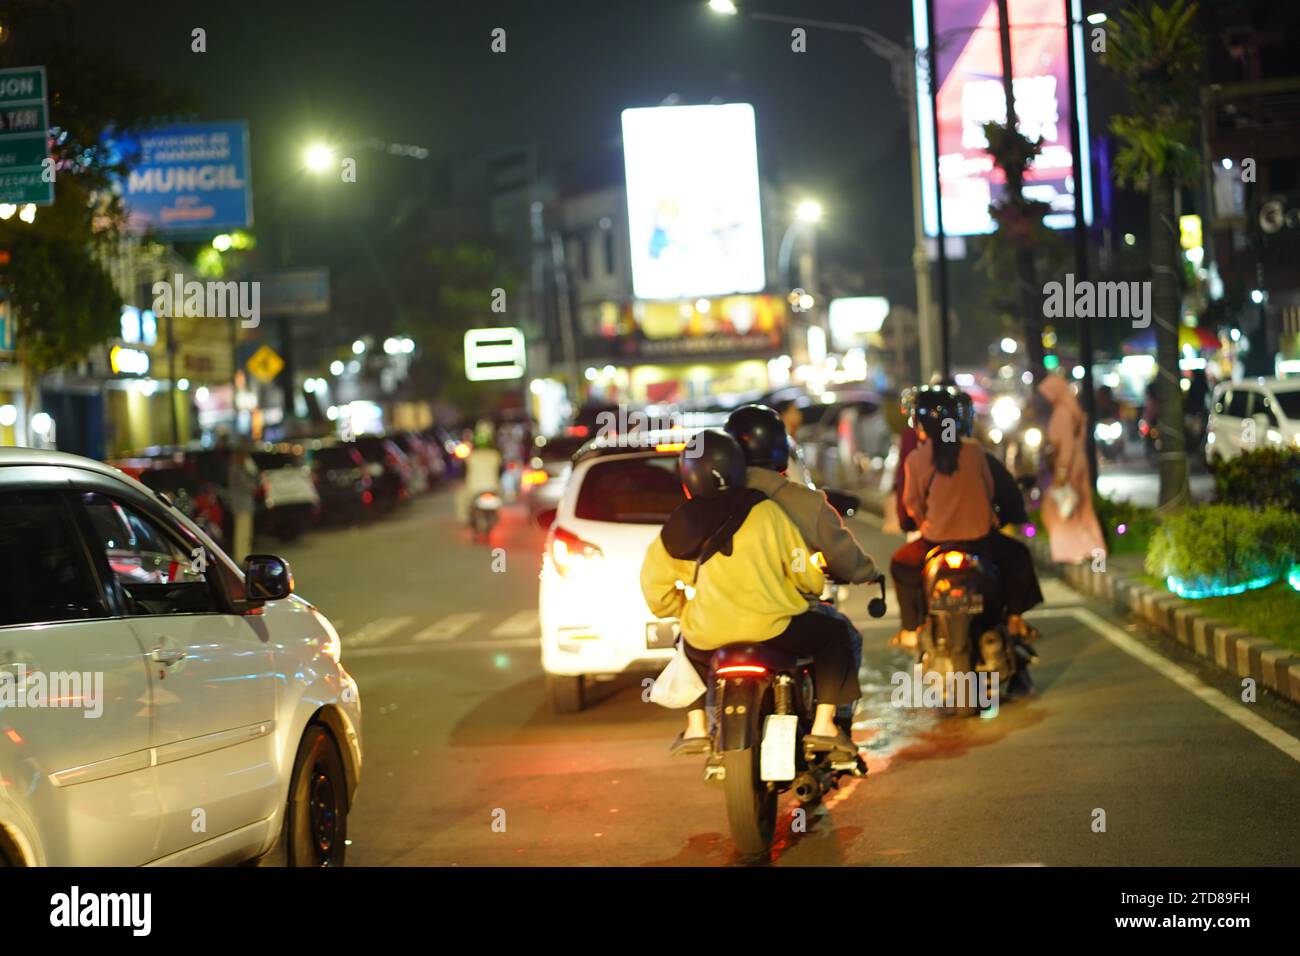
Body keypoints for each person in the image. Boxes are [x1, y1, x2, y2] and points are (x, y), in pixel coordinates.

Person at [641, 429, 860, 759]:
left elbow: (655, 588)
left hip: (707, 637)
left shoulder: (677, 525)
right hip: (775, 629)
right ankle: (825, 727)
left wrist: (685, 610)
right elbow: (803, 569)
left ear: (687, 477)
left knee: (683, 645)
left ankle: (698, 726)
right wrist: (809, 588)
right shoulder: (767, 512)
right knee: (835, 636)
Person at [725, 404, 879, 732]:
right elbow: (840, 557)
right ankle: (833, 722)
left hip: (715, 617)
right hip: (785, 617)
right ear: (780, 449)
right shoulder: (804, 502)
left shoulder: (711, 503)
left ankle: (709, 727)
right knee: (843, 635)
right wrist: (867, 574)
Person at [891, 386, 1044, 648]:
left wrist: (926, 522)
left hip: (935, 540)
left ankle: (909, 629)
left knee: (901, 564)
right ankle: (1015, 620)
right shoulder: (974, 451)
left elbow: (912, 505)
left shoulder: (916, 459)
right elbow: (990, 491)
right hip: (980, 539)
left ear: (921, 423)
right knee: (1019, 556)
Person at [1038, 374, 1106, 563]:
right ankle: (1092, 550)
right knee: (1080, 506)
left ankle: (1075, 550)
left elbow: (1066, 445)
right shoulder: (1071, 410)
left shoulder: (1062, 413)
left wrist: (1061, 472)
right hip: (1077, 461)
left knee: (1060, 507)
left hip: (1068, 464)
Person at [457, 419, 503, 523]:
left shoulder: (471, 456)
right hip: (493, 486)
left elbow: (463, 471)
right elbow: (501, 471)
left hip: (474, 488)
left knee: (461, 497)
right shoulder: (495, 454)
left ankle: (466, 519)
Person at [227, 446, 258, 563]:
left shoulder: (236, 469)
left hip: (242, 505)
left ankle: (244, 556)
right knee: (242, 534)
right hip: (242, 506)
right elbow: (250, 485)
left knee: (245, 533)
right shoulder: (238, 470)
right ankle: (242, 557)